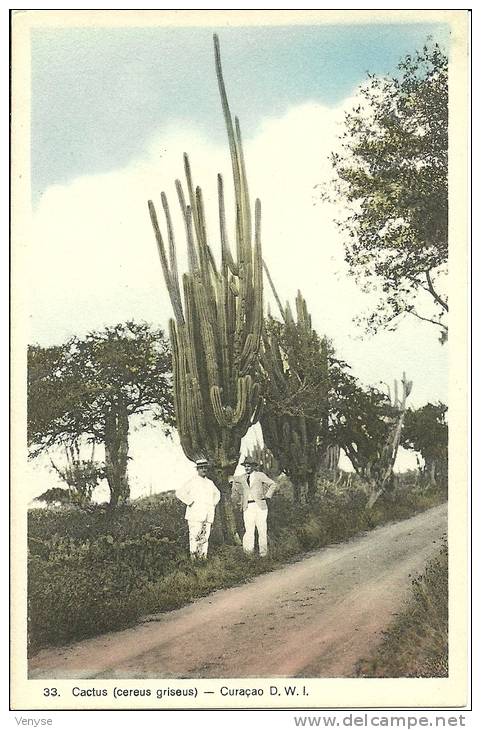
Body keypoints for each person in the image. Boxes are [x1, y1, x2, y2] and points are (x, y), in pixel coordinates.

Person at [230, 458, 277, 557]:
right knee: (249, 530)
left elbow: (273, 484)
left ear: (253, 467)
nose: (247, 468)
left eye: (249, 466)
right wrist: (230, 480)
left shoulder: (260, 475)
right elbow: (231, 478)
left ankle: (263, 554)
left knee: (262, 529)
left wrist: (267, 495)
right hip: (247, 507)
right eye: (245, 466)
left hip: (260, 506)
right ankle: (248, 554)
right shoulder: (242, 477)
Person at [176, 458, 220, 559]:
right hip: (195, 514)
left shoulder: (210, 483)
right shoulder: (192, 482)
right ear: (197, 469)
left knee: (205, 537)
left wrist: (212, 504)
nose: (204, 469)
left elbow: (217, 494)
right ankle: (194, 559)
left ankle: (203, 558)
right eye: (201, 468)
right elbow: (179, 493)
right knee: (194, 537)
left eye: (205, 468)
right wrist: (190, 502)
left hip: (208, 515)